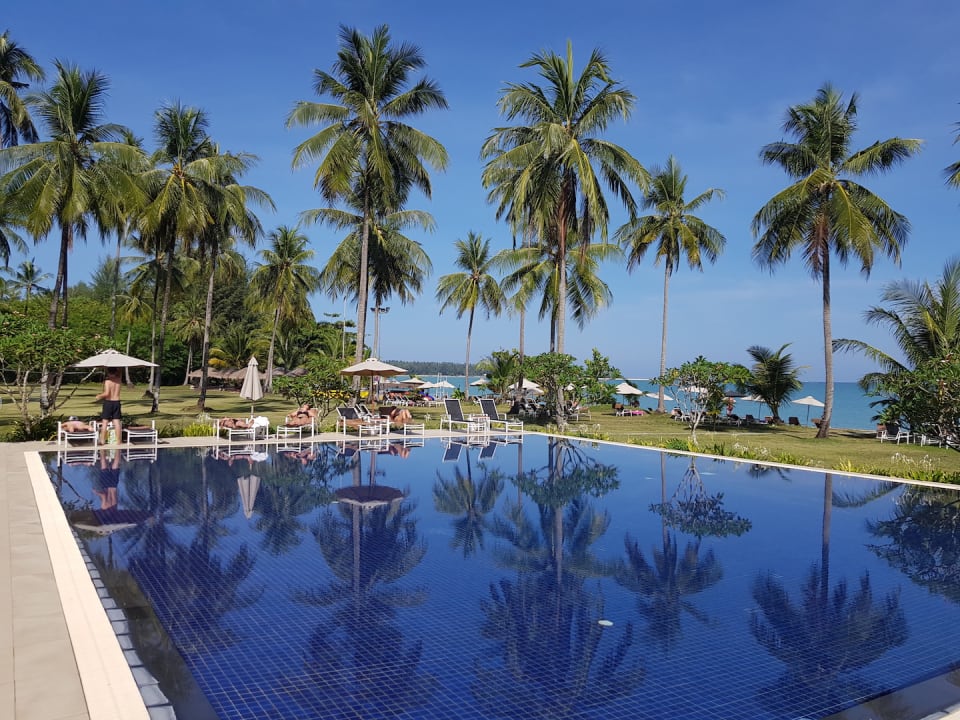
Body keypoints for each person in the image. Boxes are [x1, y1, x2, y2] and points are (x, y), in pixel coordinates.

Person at [95, 368, 123, 444]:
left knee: (105, 422)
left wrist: (99, 396)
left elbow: (107, 393)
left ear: (108, 372)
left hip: (109, 402)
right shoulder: (119, 380)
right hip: (117, 402)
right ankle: (119, 441)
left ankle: (102, 440)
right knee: (117, 422)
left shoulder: (107, 381)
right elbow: (120, 372)